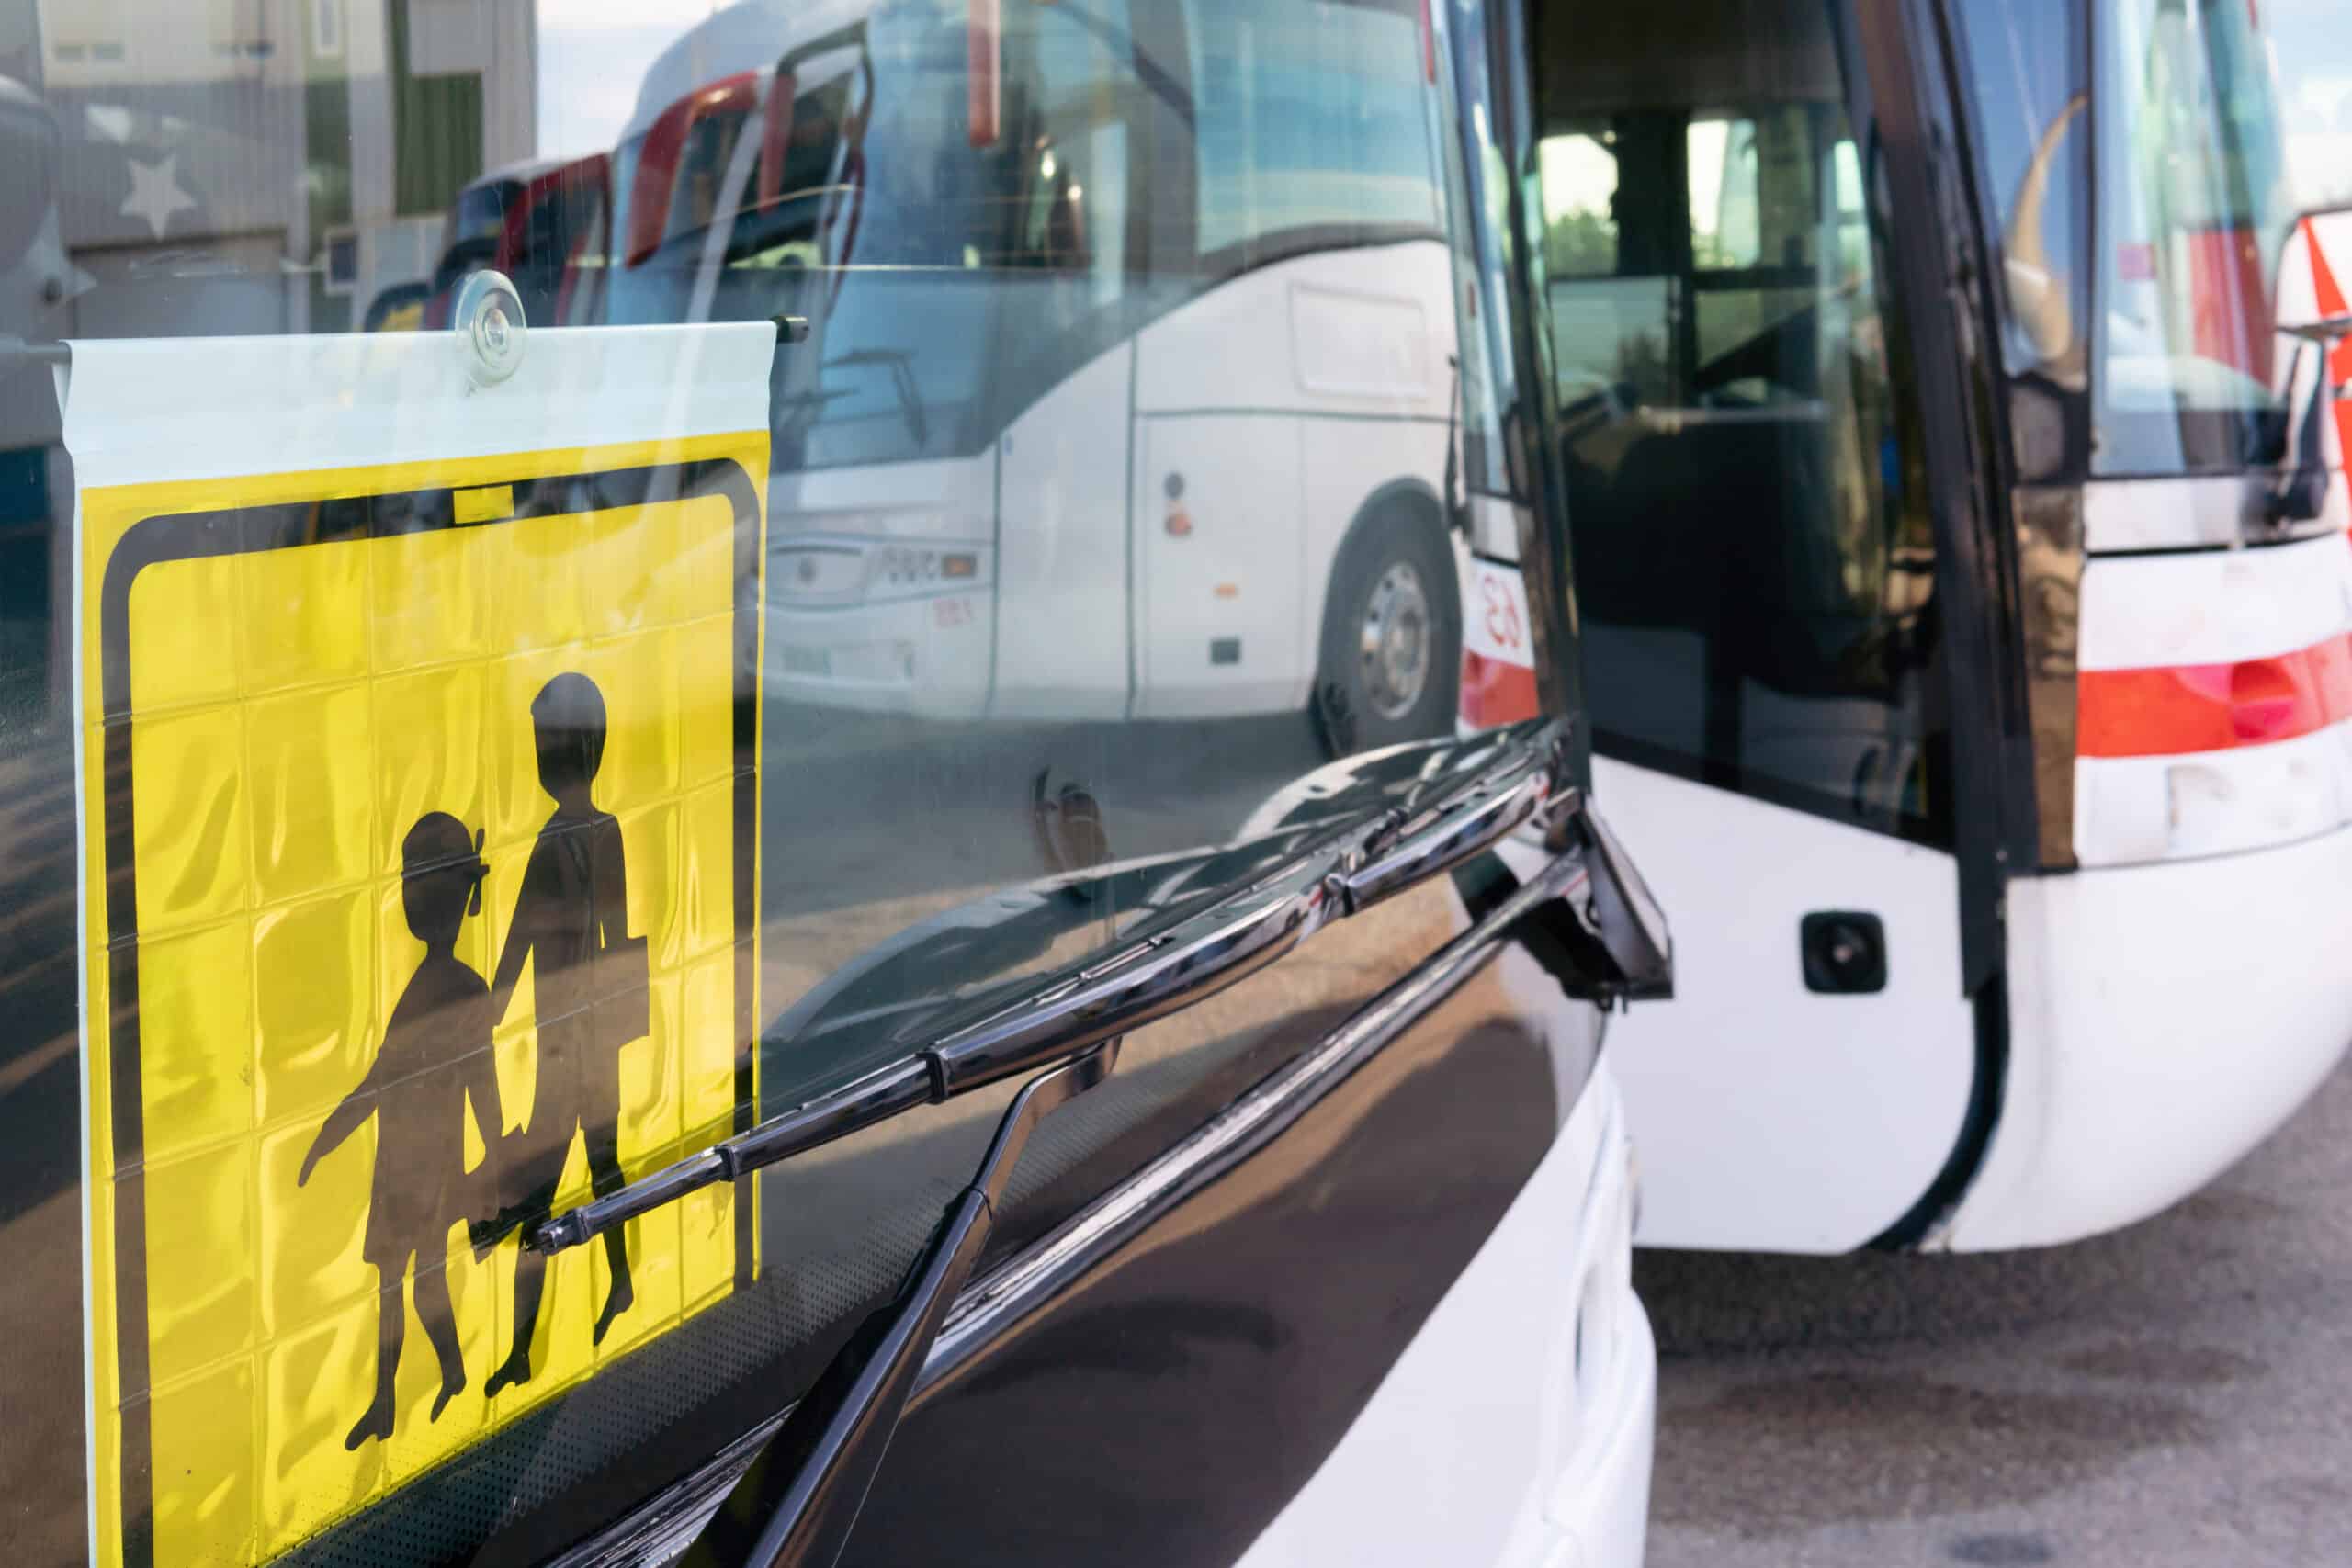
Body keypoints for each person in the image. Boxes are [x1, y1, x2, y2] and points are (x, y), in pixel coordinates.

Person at [298, 812, 499, 1450]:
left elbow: (481, 1085)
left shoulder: (464, 989)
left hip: (434, 1167)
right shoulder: (420, 990)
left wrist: (491, 1166)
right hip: (398, 1167)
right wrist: (326, 1137)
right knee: (394, 1284)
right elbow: (376, 1083)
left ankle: (451, 1368)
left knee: (422, 1284)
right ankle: (388, 1398)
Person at [478, 671, 646, 1397]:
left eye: (542, 744)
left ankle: (522, 1346)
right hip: (593, 1041)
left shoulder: (553, 842)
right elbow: (617, 935)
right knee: (601, 1172)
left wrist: (480, 1012)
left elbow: (519, 938)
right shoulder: (605, 832)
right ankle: (619, 1285)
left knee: (539, 1204)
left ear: (564, 752)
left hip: (561, 1048)